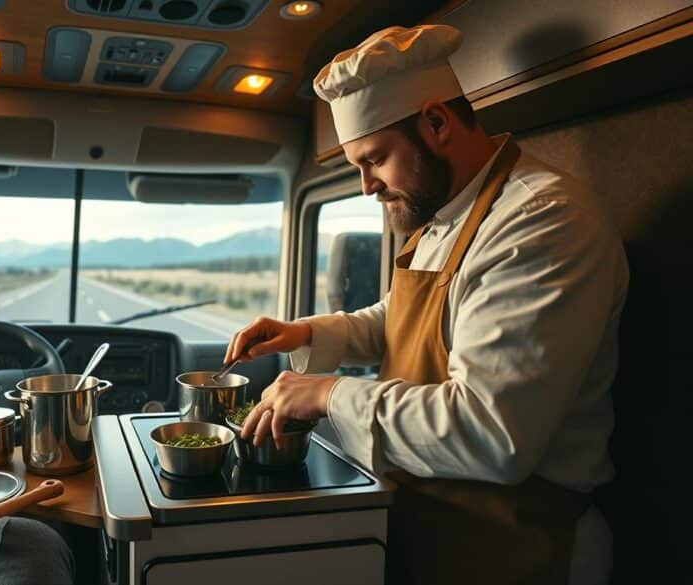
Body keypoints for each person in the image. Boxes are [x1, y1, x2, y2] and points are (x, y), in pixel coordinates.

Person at [223, 24, 627, 585]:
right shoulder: (443, 216)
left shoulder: (539, 223)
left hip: (523, 541)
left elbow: (491, 433)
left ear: (436, 123)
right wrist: (307, 333)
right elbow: (406, 319)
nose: (366, 186)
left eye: (375, 159)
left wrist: (328, 394)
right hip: (444, 517)